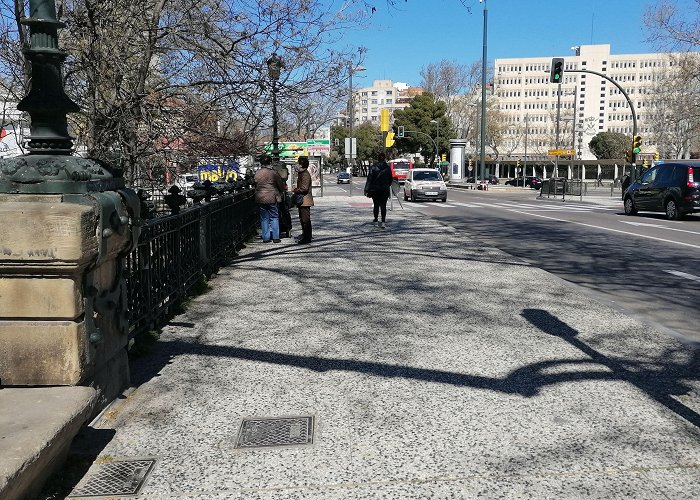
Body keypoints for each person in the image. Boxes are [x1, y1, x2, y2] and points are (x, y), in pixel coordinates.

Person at [254, 155, 285, 243]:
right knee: (274, 216)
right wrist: (281, 190)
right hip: (271, 196)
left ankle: (266, 237)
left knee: (264, 218)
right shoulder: (273, 173)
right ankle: (276, 237)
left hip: (261, 197)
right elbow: (279, 184)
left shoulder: (258, 172)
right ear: (270, 162)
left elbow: (255, 182)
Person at [364, 152, 393, 228]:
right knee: (383, 205)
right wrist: (387, 185)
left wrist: (366, 189)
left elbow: (369, 179)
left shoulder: (373, 167)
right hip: (384, 189)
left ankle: (376, 219)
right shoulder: (387, 168)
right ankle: (383, 221)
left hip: (375, 189)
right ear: (384, 158)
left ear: (378, 158)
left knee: (376, 205)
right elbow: (391, 179)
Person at [294, 156, 314, 244]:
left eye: (298, 163)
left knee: (305, 219)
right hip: (303, 199)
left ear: (301, 165)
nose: (296, 165)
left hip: (305, 199)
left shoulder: (305, 174)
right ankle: (305, 235)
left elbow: (304, 188)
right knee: (303, 219)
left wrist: (296, 190)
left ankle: (307, 237)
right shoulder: (301, 173)